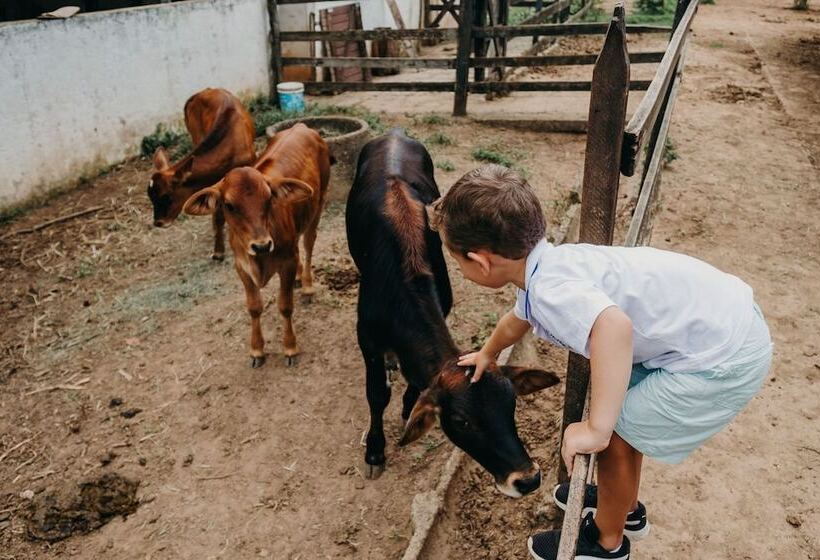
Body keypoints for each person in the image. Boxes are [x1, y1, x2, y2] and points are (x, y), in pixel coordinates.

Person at [428, 165, 773, 560]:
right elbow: (517, 318)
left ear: (481, 262)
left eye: (458, 264)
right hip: (722, 323)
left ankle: (605, 543)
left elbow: (613, 328)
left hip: (721, 357)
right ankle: (622, 505)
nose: (462, 271)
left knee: (618, 433)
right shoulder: (548, 265)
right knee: (625, 420)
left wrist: (596, 428)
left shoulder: (552, 290)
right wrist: (488, 353)